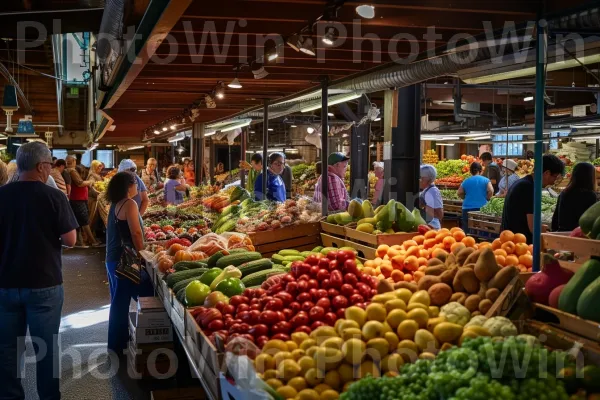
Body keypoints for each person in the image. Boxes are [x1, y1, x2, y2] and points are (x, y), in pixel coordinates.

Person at [0, 142, 78, 400]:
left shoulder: (2, 195)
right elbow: (70, 240)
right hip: (44, 284)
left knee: (8, 350)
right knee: (45, 350)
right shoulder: (53, 196)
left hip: (5, 284)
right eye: (47, 165)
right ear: (41, 166)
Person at [104, 172, 154, 353]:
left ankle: (118, 342)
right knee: (135, 296)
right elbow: (136, 233)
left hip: (113, 258)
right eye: (135, 184)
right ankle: (119, 344)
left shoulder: (115, 204)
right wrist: (142, 254)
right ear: (128, 186)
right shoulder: (130, 204)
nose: (137, 187)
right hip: (124, 260)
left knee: (119, 300)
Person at [501, 154, 565, 243]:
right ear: (546, 173)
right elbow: (533, 228)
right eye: (555, 177)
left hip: (513, 241)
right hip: (519, 245)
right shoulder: (528, 188)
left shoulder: (522, 183)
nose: (554, 181)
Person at [552, 162, 598, 232]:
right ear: (591, 177)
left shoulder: (564, 193)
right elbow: (591, 222)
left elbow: (555, 220)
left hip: (562, 233)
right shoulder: (590, 195)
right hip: (579, 236)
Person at [66, 156, 100, 247]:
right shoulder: (72, 170)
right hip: (77, 199)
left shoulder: (70, 170)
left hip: (77, 198)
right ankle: (92, 241)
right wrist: (89, 182)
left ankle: (80, 242)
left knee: (79, 221)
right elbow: (80, 183)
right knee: (84, 221)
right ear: (74, 161)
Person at [458, 162, 493, 231]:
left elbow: (459, 192)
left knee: (467, 230)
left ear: (470, 171)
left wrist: (464, 197)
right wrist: (487, 198)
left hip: (467, 208)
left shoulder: (466, 181)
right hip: (482, 208)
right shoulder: (486, 180)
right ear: (480, 170)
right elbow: (491, 191)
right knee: (482, 229)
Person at [418, 164, 444, 229]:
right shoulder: (425, 191)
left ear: (429, 179)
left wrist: (425, 207)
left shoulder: (433, 191)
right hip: (426, 227)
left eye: (421, 178)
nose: (419, 180)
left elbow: (440, 215)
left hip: (433, 228)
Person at [87, 160, 105, 227]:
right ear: (94, 167)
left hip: (96, 198)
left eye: (101, 166)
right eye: (99, 166)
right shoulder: (92, 175)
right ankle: (88, 235)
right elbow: (91, 187)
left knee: (95, 218)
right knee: (92, 217)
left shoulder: (96, 175)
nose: (100, 168)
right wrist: (100, 193)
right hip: (92, 200)